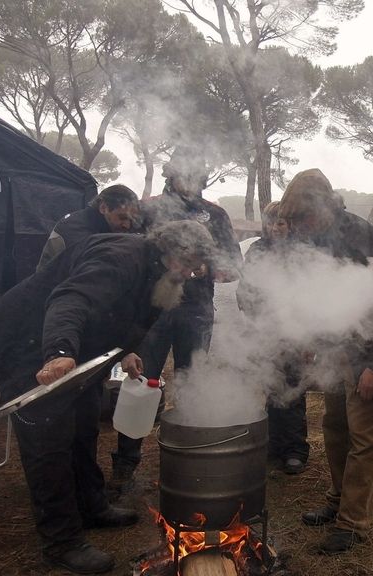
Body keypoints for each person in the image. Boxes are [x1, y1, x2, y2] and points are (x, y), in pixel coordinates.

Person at [0, 221, 216, 575]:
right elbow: (72, 300)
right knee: (48, 443)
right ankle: (61, 542)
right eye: (190, 262)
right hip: (26, 346)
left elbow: (131, 316)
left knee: (84, 426)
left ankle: (91, 505)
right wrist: (58, 351)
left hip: (76, 353)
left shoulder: (159, 272)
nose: (192, 272)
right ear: (172, 249)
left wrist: (126, 352)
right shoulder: (120, 258)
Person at [279, 168, 373, 555]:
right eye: (296, 220)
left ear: (324, 205)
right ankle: (337, 501)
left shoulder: (361, 236)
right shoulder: (316, 238)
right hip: (335, 351)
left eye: (305, 217)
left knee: (363, 441)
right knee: (334, 428)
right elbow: (322, 296)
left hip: (367, 355)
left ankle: (353, 523)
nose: (301, 226)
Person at [110, 151, 242, 494]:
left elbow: (234, 264)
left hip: (197, 310)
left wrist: (207, 269)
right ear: (171, 174)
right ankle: (125, 467)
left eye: (198, 175)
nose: (192, 181)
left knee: (191, 385)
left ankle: (188, 462)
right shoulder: (148, 209)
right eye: (185, 173)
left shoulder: (215, 214)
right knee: (142, 383)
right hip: (150, 312)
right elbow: (128, 251)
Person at [239, 201, 309, 475]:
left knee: (292, 390)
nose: (275, 228)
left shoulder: (302, 251)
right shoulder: (257, 250)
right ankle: (273, 444)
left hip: (294, 330)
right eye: (270, 222)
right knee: (269, 387)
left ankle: (295, 450)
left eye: (281, 222)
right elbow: (246, 288)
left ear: (290, 224)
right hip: (264, 330)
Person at [37, 184, 140, 270]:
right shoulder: (76, 232)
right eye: (122, 218)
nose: (127, 225)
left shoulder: (100, 225)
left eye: (131, 220)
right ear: (103, 208)